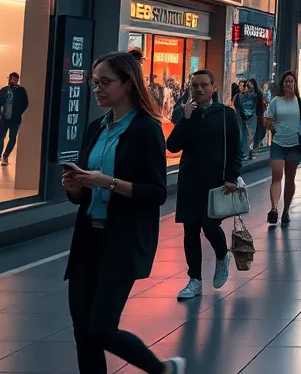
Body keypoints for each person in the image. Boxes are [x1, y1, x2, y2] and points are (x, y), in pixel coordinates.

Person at [61, 52, 185, 374]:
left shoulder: (146, 130)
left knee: (101, 328)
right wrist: (76, 187)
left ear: (128, 84)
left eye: (105, 82)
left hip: (123, 240)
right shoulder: (95, 128)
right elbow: (84, 193)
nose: (98, 89)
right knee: (82, 332)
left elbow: (156, 193)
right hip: (88, 236)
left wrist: (110, 183)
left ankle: (162, 369)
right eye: (94, 82)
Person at [166, 70, 241, 301]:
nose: (198, 89)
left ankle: (222, 255)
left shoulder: (226, 114)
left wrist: (231, 176)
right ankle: (195, 280)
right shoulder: (186, 114)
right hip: (189, 181)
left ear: (213, 88)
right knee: (190, 230)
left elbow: (236, 149)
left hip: (214, 182)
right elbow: (172, 146)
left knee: (210, 227)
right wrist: (184, 119)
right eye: (194, 86)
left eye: (204, 85)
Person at [264, 72, 301, 226]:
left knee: (290, 178)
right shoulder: (275, 102)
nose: (288, 84)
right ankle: (274, 209)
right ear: (282, 84)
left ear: (295, 84)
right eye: (286, 81)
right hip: (278, 143)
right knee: (276, 176)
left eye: (291, 81)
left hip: (295, 145)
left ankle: (286, 210)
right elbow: (267, 121)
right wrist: (270, 125)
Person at [0, 72, 29, 166]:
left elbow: (25, 103)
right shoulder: (4, 90)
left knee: (12, 138)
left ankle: (5, 157)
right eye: (11, 78)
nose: (13, 80)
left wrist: (19, 112)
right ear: (9, 79)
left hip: (15, 119)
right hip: (4, 118)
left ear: (17, 80)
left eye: (15, 79)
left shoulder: (21, 90)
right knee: (1, 137)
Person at [232, 80, 258, 161]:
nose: (242, 87)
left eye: (243, 86)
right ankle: (244, 152)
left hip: (247, 118)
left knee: (247, 135)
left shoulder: (250, 96)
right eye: (240, 85)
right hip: (241, 118)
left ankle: (246, 152)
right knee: (243, 135)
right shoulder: (238, 96)